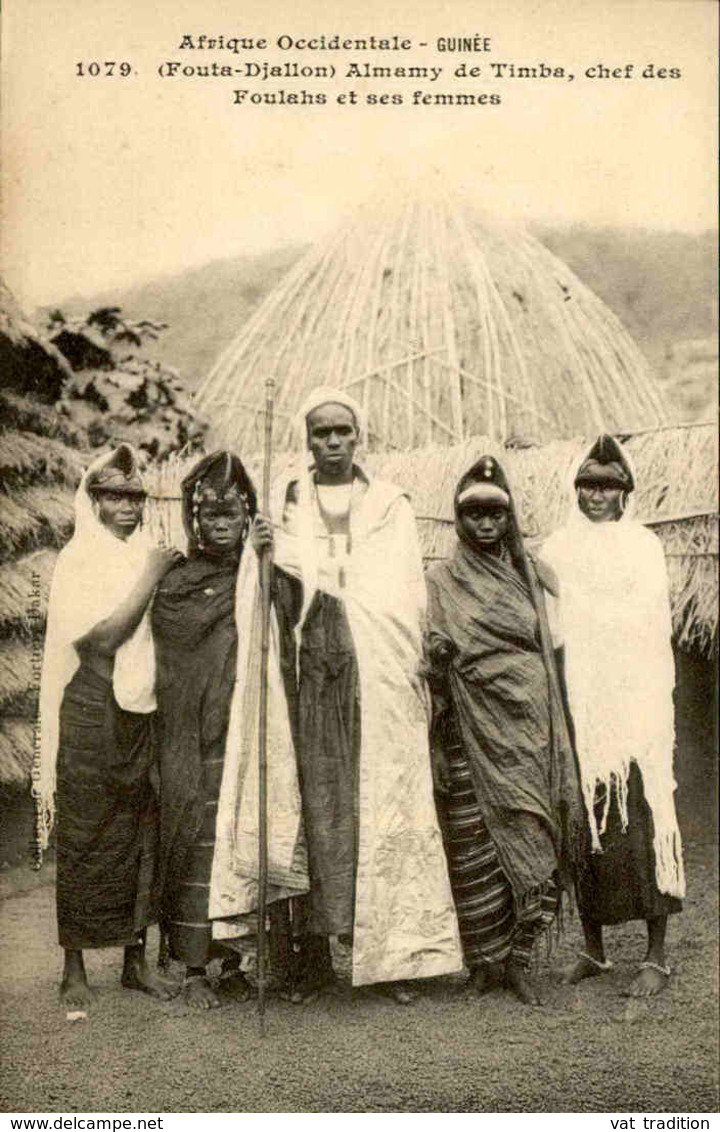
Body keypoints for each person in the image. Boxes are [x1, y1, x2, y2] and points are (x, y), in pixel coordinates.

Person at [254, 386, 463, 1004]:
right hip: (313, 671)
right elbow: (278, 591)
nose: (333, 442)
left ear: (359, 436)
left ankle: (396, 959)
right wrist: (269, 551)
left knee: (389, 803)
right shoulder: (288, 502)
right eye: (322, 433)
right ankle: (315, 958)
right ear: (308, 441)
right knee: (320, 805)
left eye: (343, 431)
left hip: (379, 672)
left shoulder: (390, 505)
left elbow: (400, 593)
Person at [425, 455, 582, 1005]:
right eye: (474, 515)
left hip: (528, 726)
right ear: (458, 520)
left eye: (495, 514)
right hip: (468, 726)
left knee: (533, 828)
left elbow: (555, 643)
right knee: (472, 843)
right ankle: (484, 962)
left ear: (509, 518)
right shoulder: (441, 579)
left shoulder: (530, 575)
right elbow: (434, 659)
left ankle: (518, 961)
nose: (486, 525)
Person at [541, 435, 685, 998]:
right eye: (587, 485)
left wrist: (567, 593)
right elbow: (552, 628)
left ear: (625, 491)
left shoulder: (643, 546)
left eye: (607, 486)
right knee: (586, 825)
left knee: (645, 823)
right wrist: (559, 591)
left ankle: (656, 954)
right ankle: (593, 949)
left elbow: (643, 620)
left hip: (635, 704)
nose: (596, 495)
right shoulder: (557, 545)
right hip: (583, 703)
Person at [38, 444, 181, 1006]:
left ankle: (134, 960)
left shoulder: (149, 551)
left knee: (139, 830)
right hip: (92, 708)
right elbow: (99, 640)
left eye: (135, 497)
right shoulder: (81, 559)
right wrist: (150, 576)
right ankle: (73, 964)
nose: (128, 506)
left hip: (141, 708)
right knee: (85, 830)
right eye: (115, 496)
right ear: (93, 500)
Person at [152, 451, 258, 1009]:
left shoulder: (260, 577)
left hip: (251, 730)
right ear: (196, 520)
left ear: (248, 516)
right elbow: (174, 659)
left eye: (232, 514)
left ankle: (236, 961)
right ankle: (194, 967)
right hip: (198, 735)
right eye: (211, 515)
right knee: (200, 840)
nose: (221, 523)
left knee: (243, 841)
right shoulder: (179, 582)